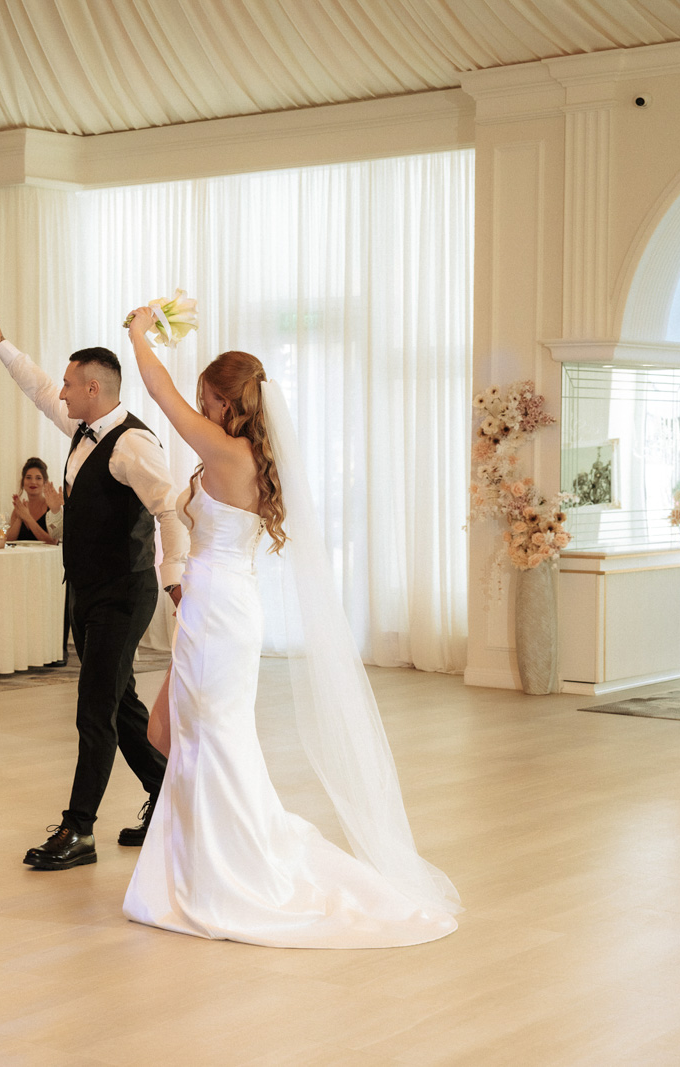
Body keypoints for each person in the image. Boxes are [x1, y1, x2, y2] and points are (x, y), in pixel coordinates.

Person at [119, 311, 459, 947]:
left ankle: (228, 871)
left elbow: (160, 393)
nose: (199, 407)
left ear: (226, 403)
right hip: (218, 604)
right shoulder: (246, 454)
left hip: (219, 609)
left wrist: (139, 333)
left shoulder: (228, 452)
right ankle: (194, 864)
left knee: (214, 737)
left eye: (206, 399)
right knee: (181, 732)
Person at [0, 293, 190, 871]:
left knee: (94, 709)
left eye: (72, 384)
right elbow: (39, 387)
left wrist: (175, 578)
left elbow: (170, 509)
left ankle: (79, 831)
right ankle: (170, 797)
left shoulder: (133, 443)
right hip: (87, 591)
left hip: (124, 593)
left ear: (95, 388)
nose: (64, 392)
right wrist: (1, 344)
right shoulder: (82, 424)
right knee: (120, 704)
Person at [6, 457, 63, 544]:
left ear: (44, 482)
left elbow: (53, 541)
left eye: (38, 478)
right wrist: (20, 518)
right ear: (23, 482)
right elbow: (8, 540)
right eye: (28, 477)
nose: (33, 482)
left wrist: (28, 518)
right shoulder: (19, 509)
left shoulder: (52, 508)